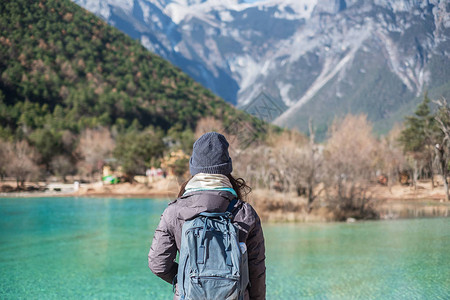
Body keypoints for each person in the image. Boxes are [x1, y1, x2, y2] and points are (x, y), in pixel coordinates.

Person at [148, 132, 266, 300]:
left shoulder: (174, 211)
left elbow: (158, 264)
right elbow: (257, 272)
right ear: (226, 168)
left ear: (194, 168)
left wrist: (186, 279)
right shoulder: (245, 213)